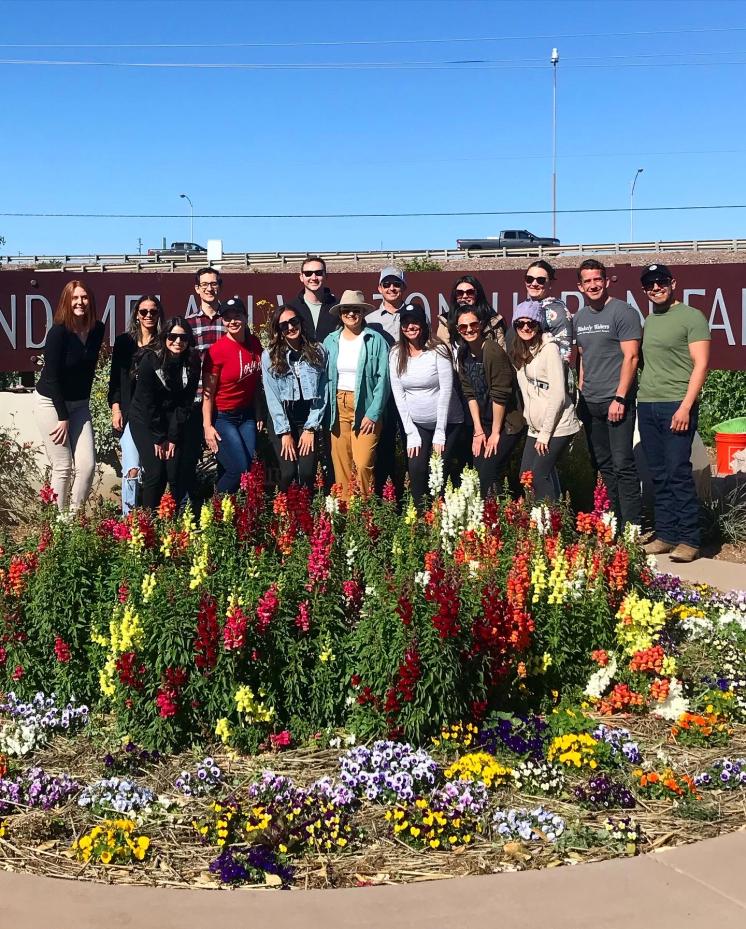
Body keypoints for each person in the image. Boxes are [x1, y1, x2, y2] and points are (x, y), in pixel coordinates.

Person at [638, 264, 711, 563]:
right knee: (659, 474)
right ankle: (666, 535)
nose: (655, 287)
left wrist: (685, 406)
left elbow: (701, 364)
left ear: (672, 283)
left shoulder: (692, 318)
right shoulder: (650, 320)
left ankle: (690, 539)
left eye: (660, 282)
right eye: (649, 284)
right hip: (647, 403)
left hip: (676, 405)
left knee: (678, 472)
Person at [574, 258, 643, 528]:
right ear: (580, 286)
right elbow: (581, 358)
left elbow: (632, 358)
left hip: (617, 403)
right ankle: (613, 524)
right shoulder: (579, 317)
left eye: (597, 279)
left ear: (606, 280)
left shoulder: (623, 312)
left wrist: (620, 397)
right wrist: (581, 392)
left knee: (623, 464)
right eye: (587, 281)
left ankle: (633, 527)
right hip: (591, 403)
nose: (593, 285)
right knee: (603, 465)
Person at [34, 279, 105, 513]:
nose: (80, 302)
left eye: (84, 297)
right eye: (74, 298)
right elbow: (52, 377)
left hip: (80, 405)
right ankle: (57, 527)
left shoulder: (97, 329)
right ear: (66, 301)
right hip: (51, 404)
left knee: (87, 465)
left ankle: (74, 522)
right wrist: (63, 417)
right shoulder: (58, 333)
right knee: (62, 467)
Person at [389, 304, 463, 509]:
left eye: (415, 322)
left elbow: (446, 391)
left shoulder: (438, 349)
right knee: (417, 468)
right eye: (406, 322)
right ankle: (421, 518)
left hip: (447, 422)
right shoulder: (396, 353)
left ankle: (442, 514)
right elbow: (399, 394)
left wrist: (440, 432)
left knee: (438, 470)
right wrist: (410, 431)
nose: (410, 326)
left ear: (423, 324)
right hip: (418, 424)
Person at [509, 300, 580, 501]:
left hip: (557, 425)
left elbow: (558, 395)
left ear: (539, 325)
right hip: (536, 427)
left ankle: (551, 525)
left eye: (530, 323)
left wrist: (545, 433)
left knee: (539, 476)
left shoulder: (550, 350)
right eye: (520, 324)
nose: (525, 328)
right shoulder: (521, 351)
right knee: (527, 476)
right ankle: (540, 518)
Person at [323, 290, 390, 500]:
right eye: (346, 310)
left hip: (365, 406)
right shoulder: (330, 341)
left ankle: (363, 513)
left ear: (362, 313)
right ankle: (345, 515)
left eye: (356, 310)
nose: (351, 314)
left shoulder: (375, 340)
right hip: (338, 406)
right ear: (340, 313)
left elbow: (384, 380)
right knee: (341, 464)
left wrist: (374, 412)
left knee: (362, 463)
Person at [128, 318, 200, 509]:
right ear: (165, 337)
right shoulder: (150, 361)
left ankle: (173, 523)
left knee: (174, 470)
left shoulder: (193, 361)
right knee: (155, 471)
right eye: (173, 336)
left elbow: (185, 402)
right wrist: (159, 438)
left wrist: (173, 437)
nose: (178, 342)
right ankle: (147, 524)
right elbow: (147, 403)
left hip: (173, 417)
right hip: (144, 418)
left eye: (183, 337)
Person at [456, 304, 524, 498]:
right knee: (479, 474)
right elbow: (469, 393)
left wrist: (495, 433)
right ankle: (487, 518)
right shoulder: (463, 353)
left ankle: (497, 519)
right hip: (485, 423)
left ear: (481, 325)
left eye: (473, 324)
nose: (469, 330)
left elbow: (500, 395)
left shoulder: (493, 351)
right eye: (463, 327)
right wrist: (478, 430)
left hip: (507, 423)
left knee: (489, 472)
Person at [108, 294, 164, 513]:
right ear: (137, 315)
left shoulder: (164, 343)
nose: (148, 315)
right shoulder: (124, 342)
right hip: (132, 413)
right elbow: (115, 380)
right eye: (144, 312)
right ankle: (128, 518)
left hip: (156, 415)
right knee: (131, 468)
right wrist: (116, 409)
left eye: (153, 311)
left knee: (154, 470)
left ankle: (153, 516)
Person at [262, 305, 328, 491]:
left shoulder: (318, 351)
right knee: (288, 472)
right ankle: (286, 515)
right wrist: (285, 433)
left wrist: (311, 428)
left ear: (301, 322)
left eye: (294, 322)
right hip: (282, 420)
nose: (290, 327)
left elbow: (323, 392)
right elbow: (272, 396)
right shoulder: (270, 356)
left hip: (308, 419)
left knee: (307, 473)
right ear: (278, 330)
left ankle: (307, 514)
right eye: (284, 325)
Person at [202, 297, 264, 494]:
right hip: (223, 417)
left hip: (246, 416)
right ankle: (213, 512)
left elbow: (254, 384)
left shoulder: (254, 343)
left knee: (249, 467)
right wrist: (207, 427)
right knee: (239, 470)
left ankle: (236, 516)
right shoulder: (216, 351)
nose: (232, 322)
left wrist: (259, 413)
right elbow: (208, 394)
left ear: (245, 317)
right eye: (227, 318)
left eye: (237, 316)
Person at [366, 266, 411, 495]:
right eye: (387, 284)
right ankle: (385, 496)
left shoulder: (414, 316)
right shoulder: (370, 320)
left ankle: (411, 497)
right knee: (383, 445)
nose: (391, 288)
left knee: (409, 441)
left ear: (403, 288)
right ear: (379, 289)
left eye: (396, 284)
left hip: (408, 390)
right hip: (381, 391)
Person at [522, 260, 573, 361]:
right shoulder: (524, 307)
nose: (534, 283)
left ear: (550, 283)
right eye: (529, 279)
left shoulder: (557, 311)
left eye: (540, 280)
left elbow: (564, 353)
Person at [438, 274, 506, 348]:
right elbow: (443, 354)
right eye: (459, 293)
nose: (464, 296)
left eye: (470, 292)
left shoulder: (493, 322)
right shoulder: (446, 322)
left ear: (478, 294)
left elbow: (501, 353)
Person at [286, 256, 339, 343]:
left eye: (318, 273)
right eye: (308, 273)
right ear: (301, 277)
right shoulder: (291, 308)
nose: (314, 278)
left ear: (325, 275)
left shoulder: (338, 306)